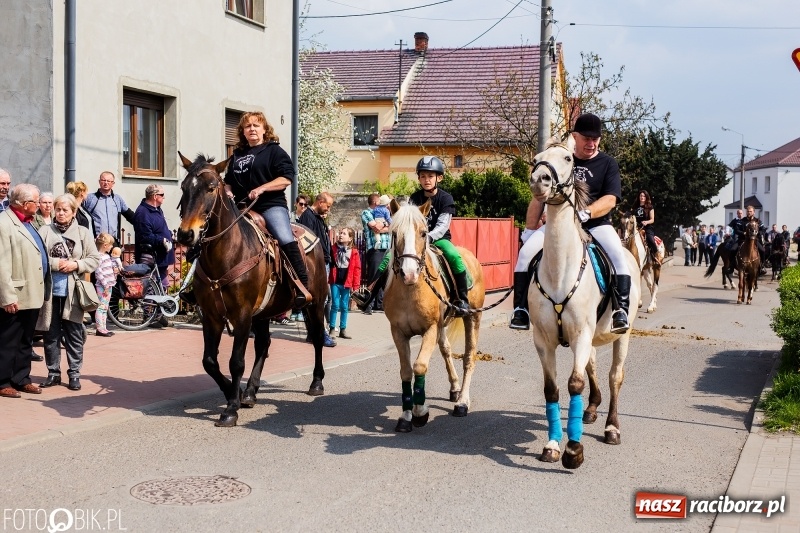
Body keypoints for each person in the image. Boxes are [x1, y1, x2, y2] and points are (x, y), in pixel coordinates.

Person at [508, 113, 632, 333]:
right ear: (575, 137)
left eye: (596, 139)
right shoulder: (560, 159)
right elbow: (539, 196)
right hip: (559, 226)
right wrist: (529, 230)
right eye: (586, 138)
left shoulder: (607, 164)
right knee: (526, 254)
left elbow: (611, 199)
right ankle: (521, 309)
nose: (591, 143)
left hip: (596, 225)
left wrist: (586, 213)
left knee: (618, 257)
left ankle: (620, 311)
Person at [354, 156, 471, 317]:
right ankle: (369, 294)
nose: (426, 180)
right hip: (414, 241)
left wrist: (427, 238)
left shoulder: (445, 199)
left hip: (439, 239)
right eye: (423, 176)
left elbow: (443, 226)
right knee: (388, 258)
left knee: (454, 256)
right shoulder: (414, 198)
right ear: (419, 178)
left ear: (439, 178)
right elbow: (407, 221)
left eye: (430, 176)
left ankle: (462, 300)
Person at [224, 111, 311, 310]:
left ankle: (301, 285)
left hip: (270, 205)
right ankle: (198, 287)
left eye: (256, 125)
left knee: (284, 236)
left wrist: (262, 188)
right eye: (248, 126)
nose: (252, 129)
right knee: (216, 234)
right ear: (243, 132)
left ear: (264, 130)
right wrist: (227, 191)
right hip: (242, 207)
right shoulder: (237, 155)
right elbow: (228, 182)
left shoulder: (274, 151)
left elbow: (286, 178)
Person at [36, 194, 102, 391]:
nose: (61, 213)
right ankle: (53, 373)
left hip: (73, 294)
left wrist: (76, 264)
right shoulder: (45, 231)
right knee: (51, 335)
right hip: (49, 294)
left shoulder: (82, 232)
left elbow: (94, 259)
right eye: (58, 209)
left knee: (74, 335)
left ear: (74, 212)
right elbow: (38, 256)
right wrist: (56, 263)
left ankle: (74, 373)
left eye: (66, 210)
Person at [0, 183, 49, 398]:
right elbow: (1, 264)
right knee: (8, 340)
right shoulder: (4, 223)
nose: (39, 205)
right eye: (36, 201)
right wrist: (7, 296)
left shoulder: (29, 222)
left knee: (25, 340)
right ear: (23, 204)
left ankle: (22, 378)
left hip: (31, 292)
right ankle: (2, 382)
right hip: (15, 295)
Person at [298, 192, 337, 348]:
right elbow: (307, 243)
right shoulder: (308, 216)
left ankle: (313, 333)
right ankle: (318, 334)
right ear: (320, 202)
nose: (328, 209)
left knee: (321, 299)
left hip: (323, 262)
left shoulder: (317, 217)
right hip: (316, 264)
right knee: (320, 300)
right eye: (327, 206)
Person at [132, 184, 174, 291]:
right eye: (162, 194)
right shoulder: (142, 213)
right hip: (151, 257)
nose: (164, 197)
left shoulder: (157, 209)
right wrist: (162, 240)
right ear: (155, 196)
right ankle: (147, 308)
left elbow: (159, 228)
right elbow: (145, 236)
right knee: (151, 290)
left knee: (163, 288)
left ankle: (161, 308)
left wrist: (169, 234)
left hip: (161, 257)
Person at [82, 171, 136, 243]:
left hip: (113, 241)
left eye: (108, 181)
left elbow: (131, 216)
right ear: (99, 182)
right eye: (103, 180)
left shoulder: (117, 199)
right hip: (96, 242)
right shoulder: (90, 198)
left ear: (113, 183)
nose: (106, 183)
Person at [360, 193, 391, 314]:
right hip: (375, 249)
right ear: (376, 203)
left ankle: (379, 304)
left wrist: (384, 225)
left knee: (385, 276)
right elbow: (375, 228)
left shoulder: (384, 212)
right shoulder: (366, 213)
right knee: (374, 276)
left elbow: (393, 226)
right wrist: (386, 224)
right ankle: (368, 305)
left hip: (387, 248)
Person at [328, 227, 361, 340]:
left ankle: (343, 329)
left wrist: (356, 286)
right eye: (340, 233)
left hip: (346, 282)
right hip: (335, 281)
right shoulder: (333, 248)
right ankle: (332, 328)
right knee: (335, 305)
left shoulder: (354, 252)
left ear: (350, 238)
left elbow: (357, 269)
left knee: (344, 306)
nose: (341, 235)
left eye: (344, 234)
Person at [93, 233, 117, 337]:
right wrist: (105, 284)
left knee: (105, 307)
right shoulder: (99, 257)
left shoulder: (107, 256)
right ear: (105, 245)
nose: (112, 247)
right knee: (101, 307)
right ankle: (100, 328)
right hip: (103, 286)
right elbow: (98, 272)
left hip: (108, 285)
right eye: (111, 244)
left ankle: (103, 327)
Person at [632, 190, 659, 265]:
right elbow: (631, 216)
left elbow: (652, 219)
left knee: (651, 240)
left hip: (647, 227)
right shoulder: (635, 206)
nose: (642, 197)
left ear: (646, 197)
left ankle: (655, 255)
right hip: (636, 227)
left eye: (644, 196)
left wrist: (646, 222)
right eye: (641, 196)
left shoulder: (650, 207)